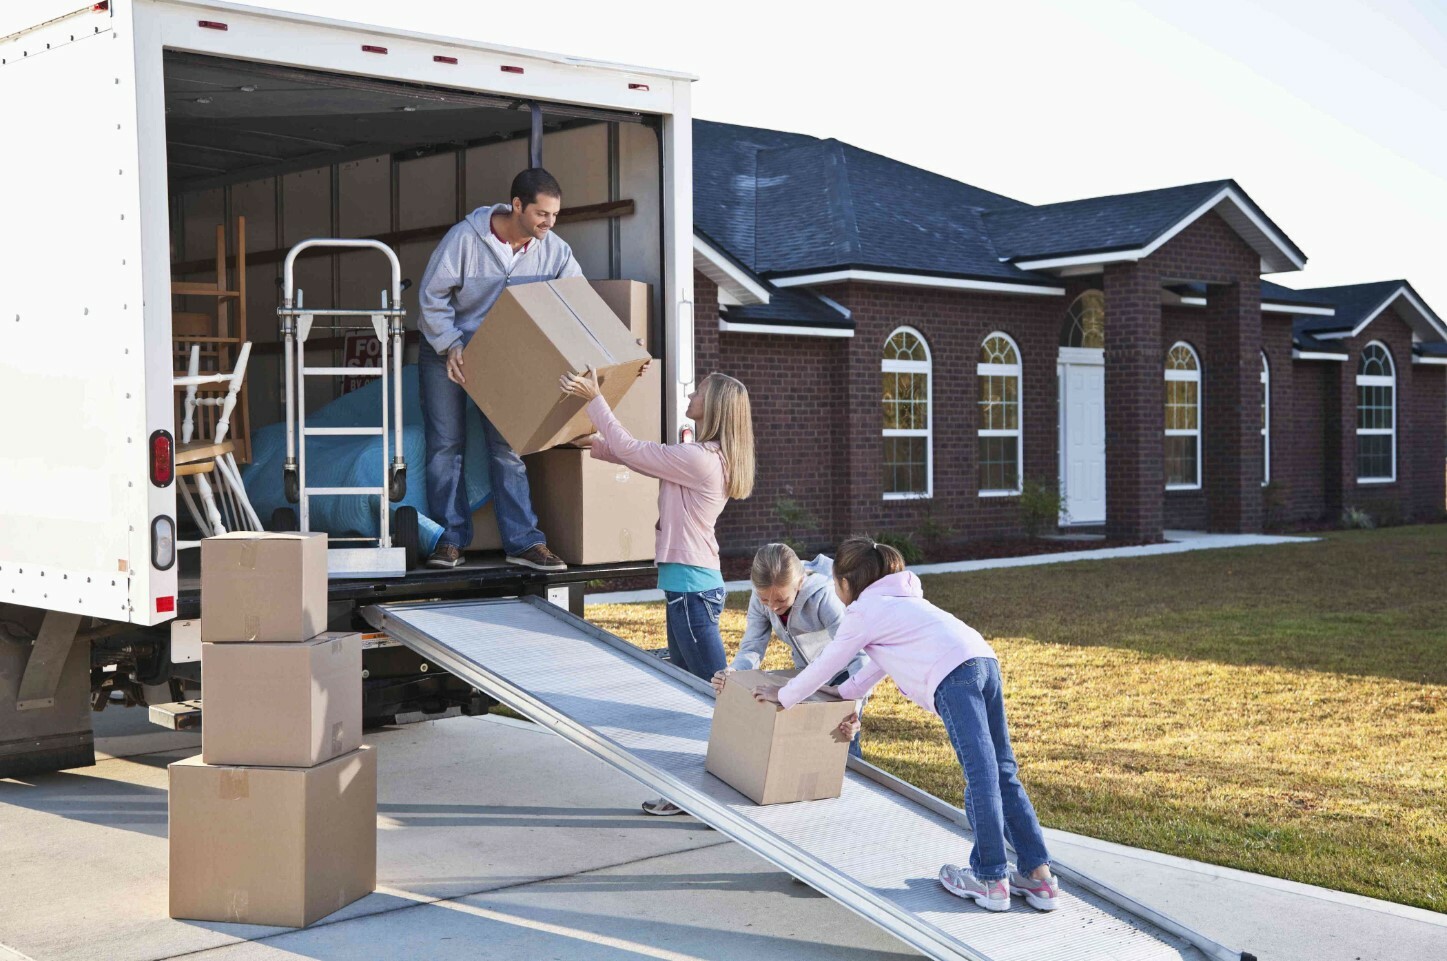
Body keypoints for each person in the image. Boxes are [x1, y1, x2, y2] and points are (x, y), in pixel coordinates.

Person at [750, 536, 1061, 913]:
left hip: (954, 675)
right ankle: (1038, 876)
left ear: (847, 583)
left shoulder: (863, 612)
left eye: (835, 582)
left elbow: (825, 663)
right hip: (983, 660)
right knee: (1003, 770)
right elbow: (878, 665)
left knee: (981, 775)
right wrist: (845, 693)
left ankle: (990, 878)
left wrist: (783, 696)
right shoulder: (903, 601)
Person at [561, 368, 755, 817]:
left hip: (692, 590)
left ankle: (727, 796)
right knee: (690, 695)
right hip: (686, 588)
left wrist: (596, 399)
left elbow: (634, 449)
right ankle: (692, 793)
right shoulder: (701, 456)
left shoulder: (701, 459)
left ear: (716, 407)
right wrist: (586, 445)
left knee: (715, 698)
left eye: (699, 391)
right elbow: (633, 456)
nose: (691, 393)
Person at [416, 167, 579, 571]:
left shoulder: (554, 250)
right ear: (517, 205)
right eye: (542, 214)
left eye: (555, 215)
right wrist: (450, 344)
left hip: (504, 358)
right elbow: (431, 296)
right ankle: (449, 540)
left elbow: (575, 303)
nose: (549, 223)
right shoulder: (465, 239)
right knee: (445, 447)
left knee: (508, 450)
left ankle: (524, 542)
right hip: (447, 349)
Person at [711, 543, 871, 758]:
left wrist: (856, 707)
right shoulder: (762, 599)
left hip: (843, 675)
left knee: (842, 747)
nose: (772, 607)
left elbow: (858, 655)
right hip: (806, 674)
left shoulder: (824, 597)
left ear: (800, 582)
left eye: (781, 600)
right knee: (807, 745)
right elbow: (752, 647)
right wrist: (734, 673)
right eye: (765, 599)